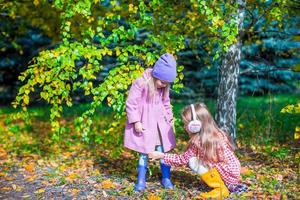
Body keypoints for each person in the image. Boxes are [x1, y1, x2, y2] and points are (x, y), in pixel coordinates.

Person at [149, 103, 247, 199]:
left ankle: (220, 188)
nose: (184, 127)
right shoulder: (218, 133)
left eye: (186, 124)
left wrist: (162, 155)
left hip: (227, 176)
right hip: (234, 173)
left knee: (192, 161)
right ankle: (223, 183)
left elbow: (182, 160)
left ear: (195, 126)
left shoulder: (198, 141)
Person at [124, 53, 177, 191]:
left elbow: (166, 102)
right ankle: (141, 180)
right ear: (156, 75)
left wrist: (170, 118)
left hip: (160, 125)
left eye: (167, 83)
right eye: (162, 82)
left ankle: (166, 178)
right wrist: (136, 121)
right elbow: (131, 103)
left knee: (162, 150)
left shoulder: (164, 86)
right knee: (144, 151)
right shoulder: (141, 82)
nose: (164, 85)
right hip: (145, 123)